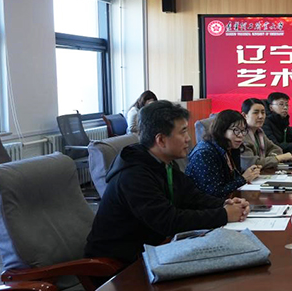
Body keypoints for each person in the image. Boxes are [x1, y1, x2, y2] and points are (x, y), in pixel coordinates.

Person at [85, 100, 250, 264]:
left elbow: (192, 197)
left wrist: (224, 204)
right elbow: (169, 221)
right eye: (183, 132)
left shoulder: (165, 163)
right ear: (161, 140)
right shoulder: (133, 176)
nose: (188, 139)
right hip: (120, 264)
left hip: (156, 249)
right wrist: (223, 215)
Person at [186, 110, 262, 199]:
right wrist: (243, 179)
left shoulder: (231, 148)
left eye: (243, 131)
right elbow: (214, 193)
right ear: (221, 130)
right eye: (236, 130)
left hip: (227, 201)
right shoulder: (204, 154)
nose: (241, 135)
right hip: (205, 205)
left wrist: (249, 175)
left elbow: (231, 180)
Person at [240, 98, 292, 170]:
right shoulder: (241, 135)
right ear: (244, 115)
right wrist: (278, 158)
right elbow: (250, 164)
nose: (261, 116)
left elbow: (277, 149)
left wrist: (265, 160)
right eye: (256, 113)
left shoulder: (259, 132)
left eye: (263, 112)